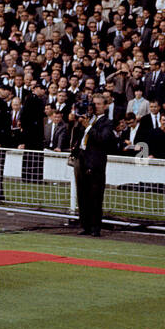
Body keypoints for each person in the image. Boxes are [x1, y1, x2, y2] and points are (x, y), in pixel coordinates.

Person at [72, 91, 116, 237]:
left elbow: (102, 139)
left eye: (98, 104)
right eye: (94, 104)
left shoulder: (107, 123)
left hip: (96, 162)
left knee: (95, 196)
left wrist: (88, 127)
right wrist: (78, 123)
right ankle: (84, 225)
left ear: (105, 106)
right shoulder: (88, 118)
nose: (95, 107)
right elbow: (76, 136)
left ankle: (95, 227)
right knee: (82, 194)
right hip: (82, 158)